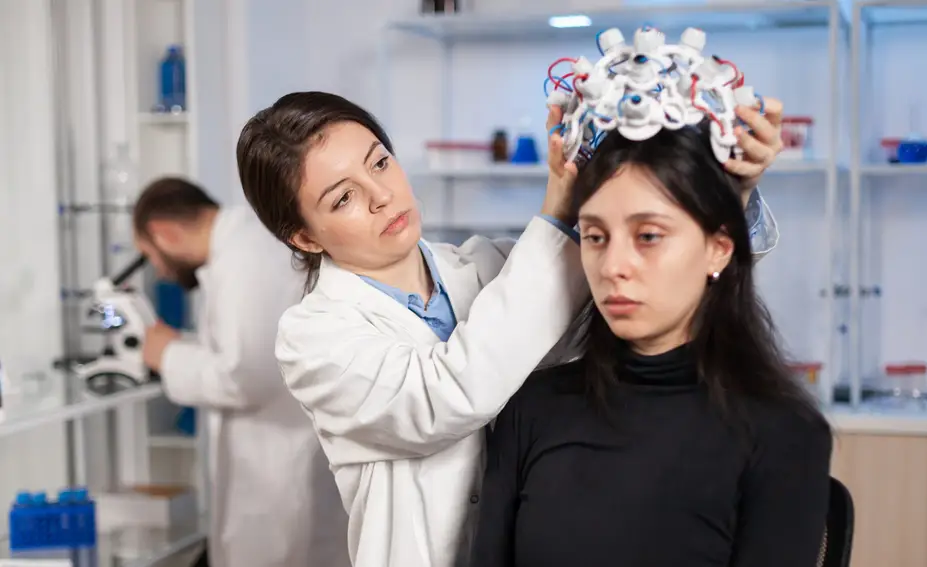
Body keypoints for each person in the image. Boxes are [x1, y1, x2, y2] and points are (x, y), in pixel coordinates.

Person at [235, 90, 784, 567]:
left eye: (379, 163)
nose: (382, 195)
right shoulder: (313, 338)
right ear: (304, 237)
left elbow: (647, 299)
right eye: (344, 197)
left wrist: (729, 193)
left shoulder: (488, 268)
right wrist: (556, 210)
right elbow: (446, 396)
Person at [470, 124, 832, 567]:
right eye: (595, 236)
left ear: (719, 248)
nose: (614, 266)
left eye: (648, 237)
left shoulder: (784, 432)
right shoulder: (531, 408)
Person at [132, 177, 351, 567]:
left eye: (150, 255)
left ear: (164, 233)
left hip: (280, 472)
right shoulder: (239, 249)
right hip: (275, 464)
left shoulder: (244, 258)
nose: (161, 273)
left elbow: (246, 378)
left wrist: (167, 355)